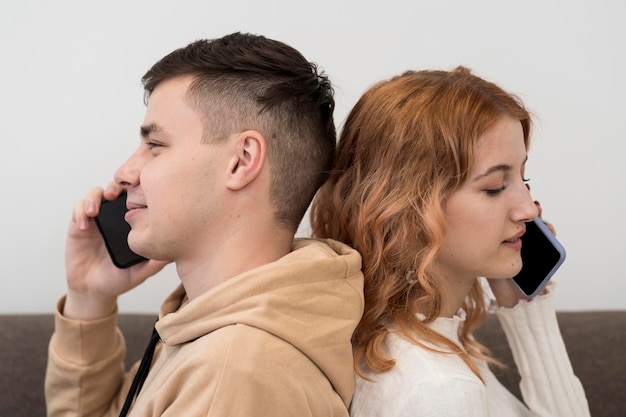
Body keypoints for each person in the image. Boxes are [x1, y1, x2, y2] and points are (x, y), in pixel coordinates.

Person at [45, 32, 364, 417]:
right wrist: (89, 297)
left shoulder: (236, 374)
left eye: (155, 145)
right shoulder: (208, 328)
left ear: (242, 160)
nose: (125, 172)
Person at [310, 67, 590, 416]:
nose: (529, 209)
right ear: (409, 208)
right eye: (495, 187)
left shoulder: (414, 343)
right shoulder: (439, 391)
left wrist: (527, 309)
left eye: (524, 178)